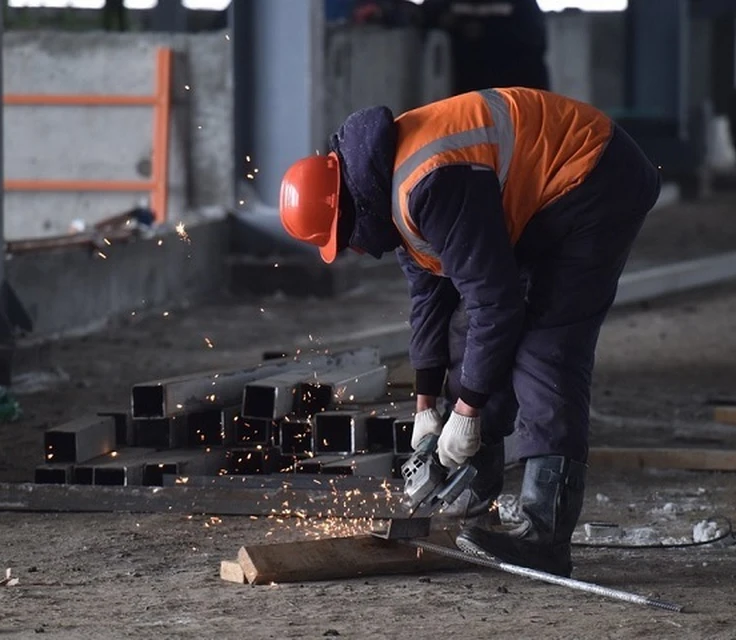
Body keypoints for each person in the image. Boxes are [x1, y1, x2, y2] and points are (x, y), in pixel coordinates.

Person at [277, 87, 660, 577]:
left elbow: (496, 306)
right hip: (549, 193)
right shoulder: (383, 186)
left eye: (342, 238)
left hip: (595, 177)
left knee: (546, 348)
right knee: (468, 330)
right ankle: (475, 483)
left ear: (348, 211)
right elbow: (431, 300)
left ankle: (546, 536)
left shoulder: (428, 183)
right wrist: (425, 407)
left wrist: (466, 412)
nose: (351, 249)